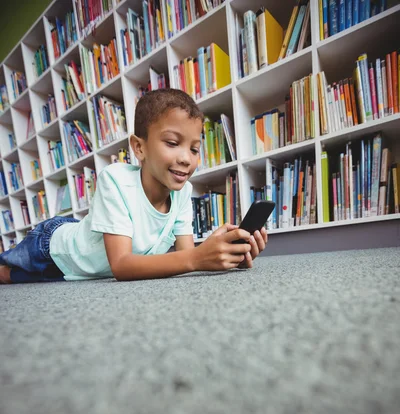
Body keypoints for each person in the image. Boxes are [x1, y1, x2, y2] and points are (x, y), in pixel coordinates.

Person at [0, 89, 267, 285]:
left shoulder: (183, 192)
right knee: (4, 272)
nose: (187, 157)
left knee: (19, 281)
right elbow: (122, 265)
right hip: (53, 245)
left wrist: (221, 254)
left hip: (78, 272)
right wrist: (198, 258)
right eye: (173, 143)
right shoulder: (114, 179)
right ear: (139, 147)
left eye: (194, 148)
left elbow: (187, 258)